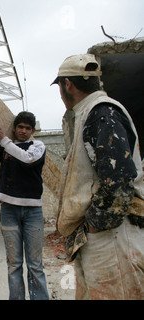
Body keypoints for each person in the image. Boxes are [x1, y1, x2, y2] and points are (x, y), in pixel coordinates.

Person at [52, 54, 144, 300]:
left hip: (111, 238)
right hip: (106, 237)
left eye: (60, 87)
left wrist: (94, 225)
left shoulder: (101, 112)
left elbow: (119, 180)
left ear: (67, 84)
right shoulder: (92, 113)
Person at [0, 111, 49, 300]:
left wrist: (4, 139)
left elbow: (27, 160)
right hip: (9, 210)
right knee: (14, 264)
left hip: (33, 211)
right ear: (14, 127)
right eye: (20, 127)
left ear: (33, 130)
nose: (23, 131)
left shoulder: (37, 146)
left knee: (35, 265)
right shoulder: (5, 146)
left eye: (28, 128)